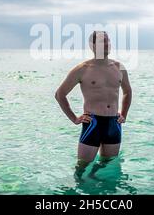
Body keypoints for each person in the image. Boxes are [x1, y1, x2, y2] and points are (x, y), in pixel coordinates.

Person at [54, 31, 132, 178]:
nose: (107, 44)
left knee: (108, 165)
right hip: (93, 124)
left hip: (114, 124)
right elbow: (60, 94)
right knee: (81, 169)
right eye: (102, 42)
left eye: (108, 41)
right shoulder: (82, 69)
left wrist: (124, 114)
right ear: (92, 46)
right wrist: (74, 118)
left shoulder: (119, 67)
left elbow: (127, 91)